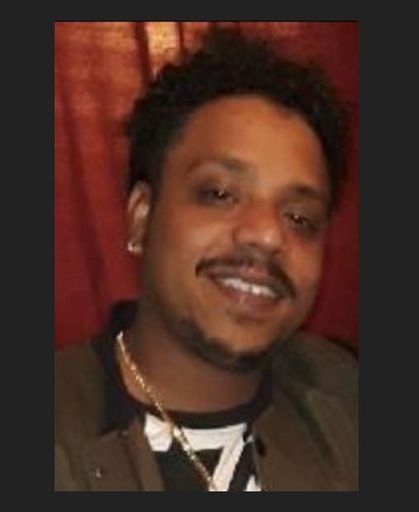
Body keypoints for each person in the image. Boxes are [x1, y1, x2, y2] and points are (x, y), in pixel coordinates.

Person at [55, 27, 358, 492]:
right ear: (141, 218)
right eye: (219, 193)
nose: (267, 234)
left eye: (300, 218)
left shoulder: (348, 401)